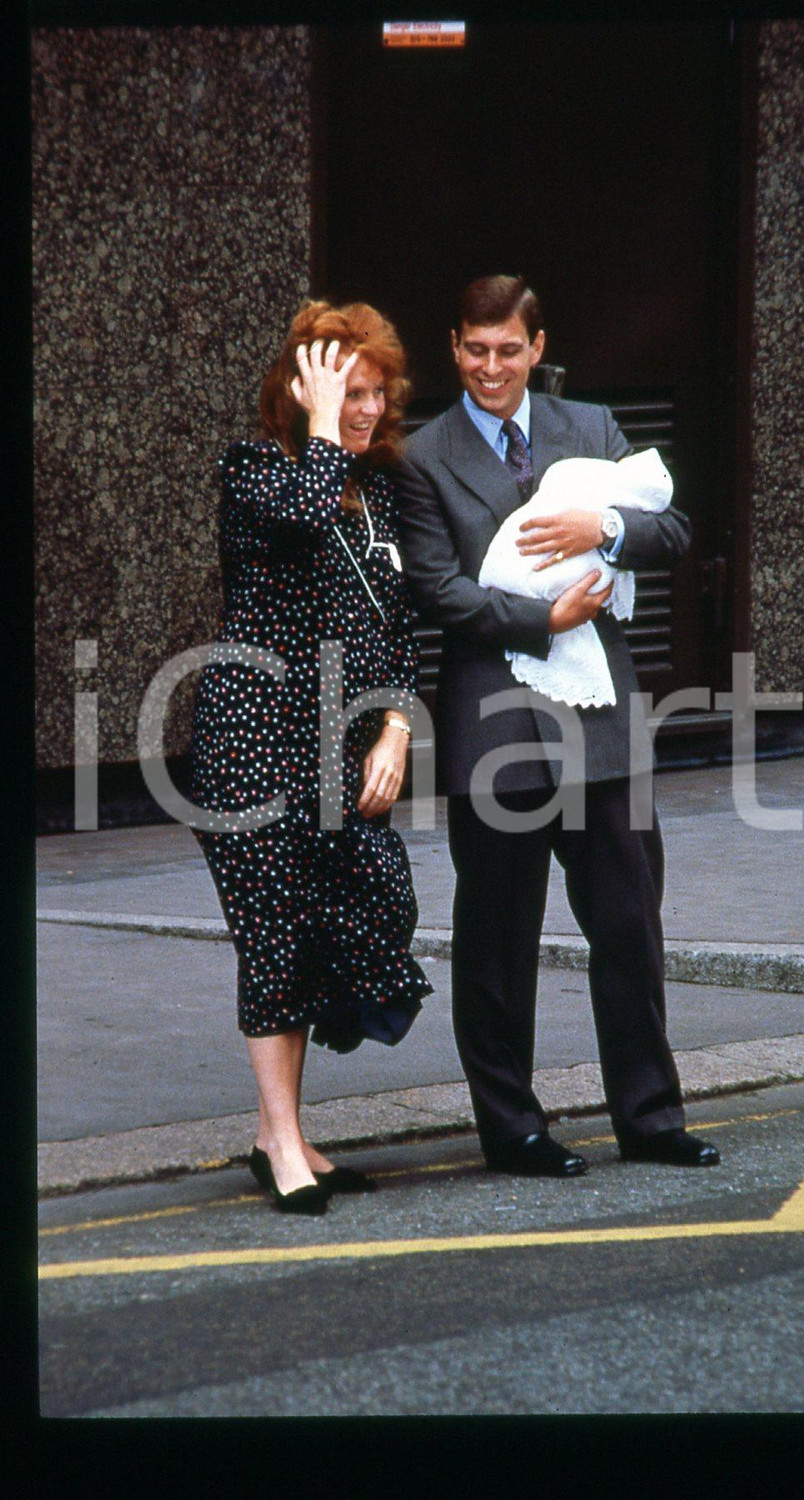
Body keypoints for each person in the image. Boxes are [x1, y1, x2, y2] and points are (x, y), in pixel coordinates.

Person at [395, 274, 719, 1178]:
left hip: (601, 723)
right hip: (493, 726)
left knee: (628, 923)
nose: (491, 366)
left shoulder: (595, 431)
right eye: (474, 349)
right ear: (453, 347)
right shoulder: (423, 457)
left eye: (509, 350)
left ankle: (651, 1119)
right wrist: (549, 619)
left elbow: (674, 532)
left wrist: (603, 523)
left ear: (538, 349)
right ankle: (514, 1128)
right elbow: (440, 593)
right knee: (497, 939)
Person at [189, 300, 433, 1214]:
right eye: (346, 391)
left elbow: (398, 630)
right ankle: (284, 1143)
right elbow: (294, 525)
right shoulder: (257, 470)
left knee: (359, 907)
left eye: (374, 392)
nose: (365, 409)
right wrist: (323, 425)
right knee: (274, 935)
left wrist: (397, 730)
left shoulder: (377, 493)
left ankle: (277, 1131)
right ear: (299, 391)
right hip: (252, 739)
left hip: (340, 742)